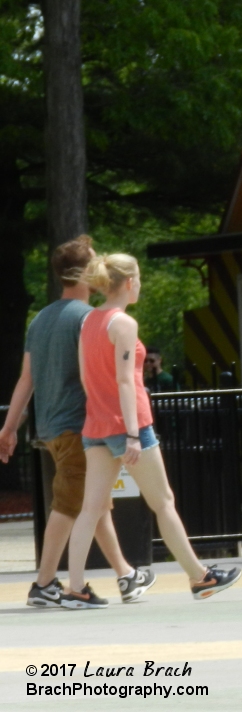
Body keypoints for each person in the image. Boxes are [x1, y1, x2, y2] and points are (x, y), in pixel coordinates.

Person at [64, 253, 241, 608]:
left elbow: (86, 376)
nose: (140, 285)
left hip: (95, 423)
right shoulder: (123, 324)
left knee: (90, 509)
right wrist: (131, 433)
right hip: (129, 425)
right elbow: (127, 382)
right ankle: (198, 576)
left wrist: (102, 414)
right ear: (129, 282)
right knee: (163, 503)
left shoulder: (88, 322)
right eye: (139, 279)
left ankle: (75, 588)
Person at [0, 236, 153, 608]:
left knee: (93, 505)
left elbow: (26, 379)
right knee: (70, 505)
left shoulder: (41, 318)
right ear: (86, 273)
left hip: (50, 427)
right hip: (79, 425)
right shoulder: (90, 317)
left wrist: (9, 427)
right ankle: (45, 582)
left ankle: (125, 574)